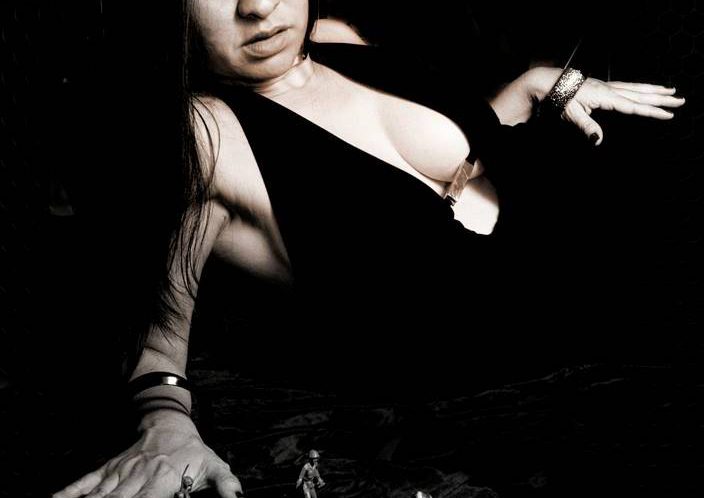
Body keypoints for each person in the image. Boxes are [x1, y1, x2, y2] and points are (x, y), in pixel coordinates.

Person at [53, 1, 684, 497]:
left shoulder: (333, 42)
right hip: (555, 355)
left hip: (610, 262)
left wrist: (535, 87)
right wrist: (165, 424)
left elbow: (453, 170)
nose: (259, 6)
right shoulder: (203, 132)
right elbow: (156, 336)